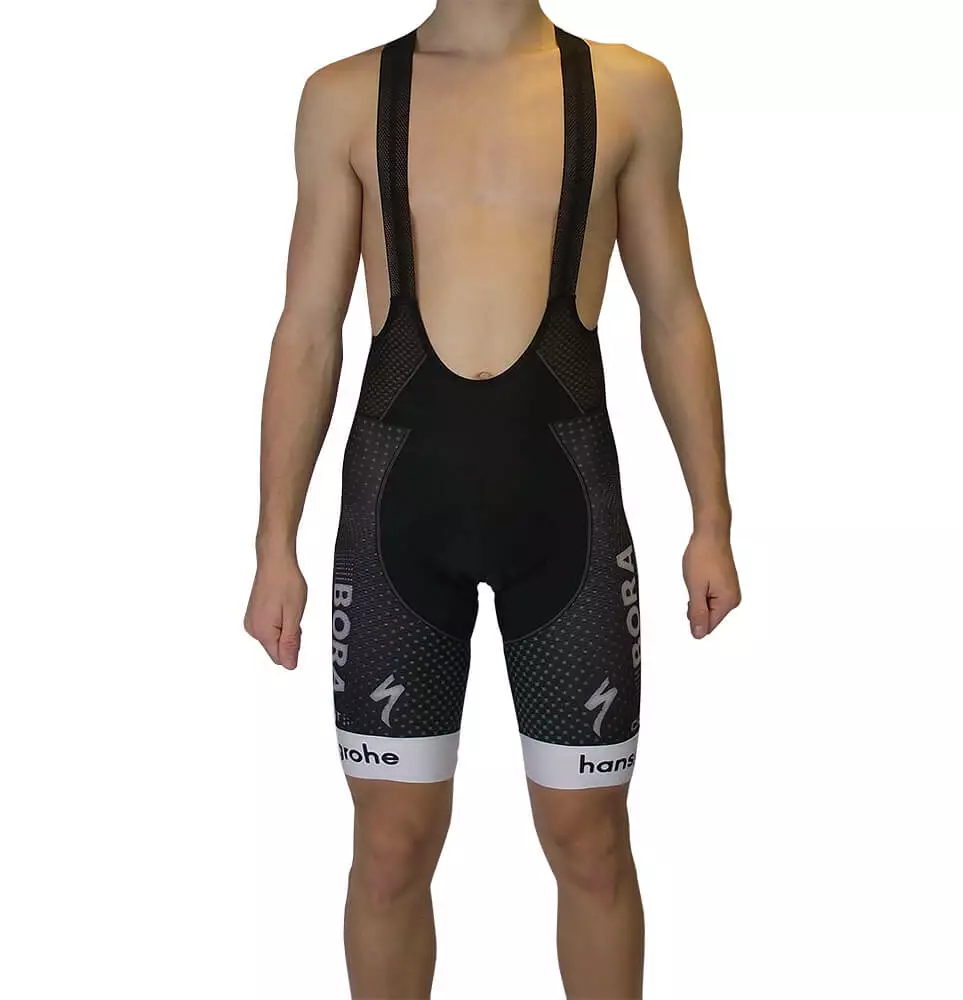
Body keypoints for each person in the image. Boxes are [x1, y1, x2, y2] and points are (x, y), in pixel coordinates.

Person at [244, 2, 741, 997]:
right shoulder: (344, 97)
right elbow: (307, 327)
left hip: (566, 515)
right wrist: (273, 545)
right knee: (390, 849)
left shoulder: (629, 89)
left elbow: (672, 308)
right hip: (397, 519)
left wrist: (712, 519)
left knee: (591, 843)